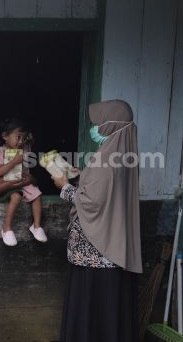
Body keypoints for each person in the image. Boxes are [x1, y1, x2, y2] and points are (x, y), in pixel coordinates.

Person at [52, 99, 141, 342]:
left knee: (89, 307)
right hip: (113, 249)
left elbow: (92, 202)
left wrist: (64, 187)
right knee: (109, 308)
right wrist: (83, 175)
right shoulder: (124, 153)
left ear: (110, 125)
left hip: (94, 250)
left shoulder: (104, 160)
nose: (94, 128)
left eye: (97, 123)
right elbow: (107, 192)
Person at [0, 118, 46, 246]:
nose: (21, 141)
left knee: (37, 195)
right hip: (8, 183)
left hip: (24, 182)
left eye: (24, 138)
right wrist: (14, 161)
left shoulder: (26, 148)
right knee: (16, 197)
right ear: (5, 136)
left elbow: (31, 139)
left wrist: (31, 179)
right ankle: (6, 228)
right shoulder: (1, 151)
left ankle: (36, 226)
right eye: (18, 137)